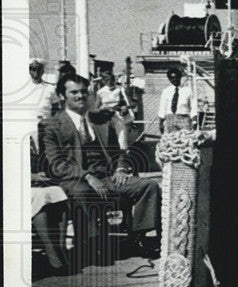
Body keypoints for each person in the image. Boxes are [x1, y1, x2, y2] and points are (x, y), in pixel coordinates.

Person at [42, 74, 161, 267]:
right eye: (74, 92)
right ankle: (93, 243)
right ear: (62, 95)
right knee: (82, 192)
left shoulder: (101, 121)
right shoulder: (51, 125)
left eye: (83, 91)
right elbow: (57, 164)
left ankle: (140, 237)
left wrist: (121, 169)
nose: (80, 96)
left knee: (149, 186)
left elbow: (119, 152)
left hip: (107, 177)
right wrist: (87, 176)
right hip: (74, 179)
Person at [96, 72, 134, 150]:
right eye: (107, 80)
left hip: (118, 115)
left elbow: (132, 104)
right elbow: (96, 108)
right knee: (107, 138)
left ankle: (123, 155)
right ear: (103, 81)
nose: (109, 82)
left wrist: (126, 107)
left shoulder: (120, 90)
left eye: (111, 79)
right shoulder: (100, 92)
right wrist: (103, 108)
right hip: (106, 117)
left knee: (122, 138)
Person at [158, 66, 193, 134]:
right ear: (169, 79)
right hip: (170, 119)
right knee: (172, 140)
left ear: (180, 77)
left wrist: (194, 120)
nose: (174, 80)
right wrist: (161, 123)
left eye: (176, 77)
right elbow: (162, 108)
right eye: (172, 78)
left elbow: (193, 106)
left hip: (184, 118)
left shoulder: (187, 90)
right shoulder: (166, 91)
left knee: (186, 139)